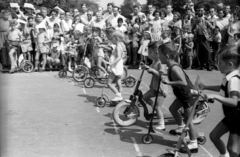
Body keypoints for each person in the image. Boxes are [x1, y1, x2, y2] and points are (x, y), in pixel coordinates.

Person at [199, 45, 240, 157]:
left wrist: (215, 97)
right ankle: (224, 155)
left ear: (230, 64)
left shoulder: (234, 80)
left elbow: (234, 102)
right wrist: (206, 86)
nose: (217, 65)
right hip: (230, 117)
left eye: (220, 63)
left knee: (233, 149)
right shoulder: (228, 77)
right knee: (214, 136)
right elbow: (222, 87)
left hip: (236, 117)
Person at [158, 42, 199, 153]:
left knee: (188, 119)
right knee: (172, 109)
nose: (158, 57)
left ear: (166, 56)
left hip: (187, 95)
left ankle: (194, 143)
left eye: (159, 55)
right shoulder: (171, 66)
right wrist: (166, 76)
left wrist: (168, 82)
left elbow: (183, 82)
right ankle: (182, 129)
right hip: (181, 94)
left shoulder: (174, 68)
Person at [141, 41, 168, 131]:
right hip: (154, 87)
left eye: (150, 52)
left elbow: (162, 76)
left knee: (158, 107)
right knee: (144, 97)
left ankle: (161, 124)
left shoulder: (161, 63)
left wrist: (151, 70)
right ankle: (155, 109)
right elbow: (151, 70)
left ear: (157, 53)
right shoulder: (154, 61)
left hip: (161, 88)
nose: (148, 54)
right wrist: (146, 67)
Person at [107, 31, 125, 101]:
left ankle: (118, 95)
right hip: (118, 66)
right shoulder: (120, 45)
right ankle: (120, 97)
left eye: (112, 39)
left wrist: (111, 63)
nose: (111, 40)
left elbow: (119, 57)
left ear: (116, 38)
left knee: (109, 83)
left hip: (116, 67)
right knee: (118, 82)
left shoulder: (118, 47)